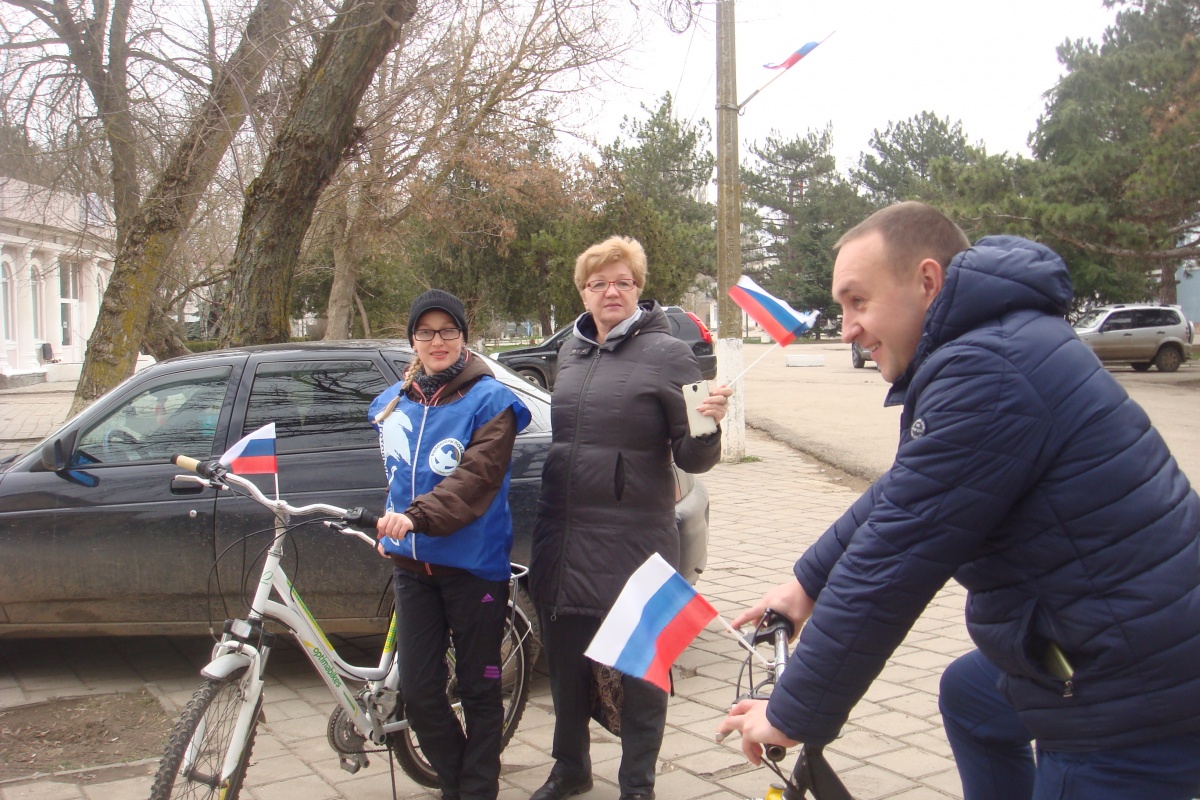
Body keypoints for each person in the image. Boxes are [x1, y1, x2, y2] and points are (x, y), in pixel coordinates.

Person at [716, 202, 1200, 800]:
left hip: (1127, 692)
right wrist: (805, 584)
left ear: (927, 281)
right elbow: (906, 491)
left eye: (858, 302)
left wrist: (790, 714)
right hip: (1138, 628)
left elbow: (894, 560)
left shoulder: (988, 372)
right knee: (969, 697)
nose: (846, 329)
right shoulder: (995, 346)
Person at [527, 236, 733, 800]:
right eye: (598, 283)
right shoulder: (570, 352)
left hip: (635, 536)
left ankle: (637, 783)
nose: (610, 291)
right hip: (565, 530)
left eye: (622, 281)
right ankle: (570, 767)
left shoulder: (671, 355)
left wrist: (709, 424)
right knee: (566, 661)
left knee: (643, 665)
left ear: (638, 289)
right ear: (584, 292)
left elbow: (693, 457)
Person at [369, 289, 532, 800]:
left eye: (448, 331)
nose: (437, 341)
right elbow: (399, 474)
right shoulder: (395, 403)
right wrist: (392, 526)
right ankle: (460, 778)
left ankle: (475, 790)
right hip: (414, 571)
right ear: (412, 340)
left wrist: (413, 520)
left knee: (480, 683)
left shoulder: (491, 400)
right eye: (426, 332)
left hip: (475, 572)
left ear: (463, 336)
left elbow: (476, 479)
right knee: (418, 692)